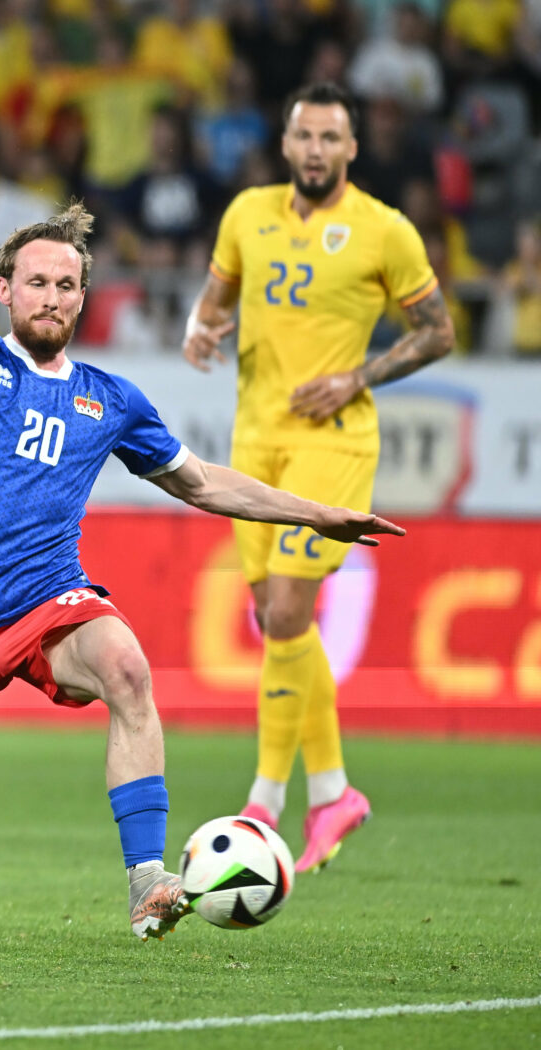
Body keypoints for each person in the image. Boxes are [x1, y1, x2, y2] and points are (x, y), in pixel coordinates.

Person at [0, 171, 404, 943]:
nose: (52, 298)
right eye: (37, 283)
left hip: (50, 598)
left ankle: (148, 879)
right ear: (5, 291)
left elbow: (201, 482)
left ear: (83, 298)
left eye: (67, 286)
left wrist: (317, 515)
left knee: (126, 668)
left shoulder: (110, 399)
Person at [181, 82, 453, 874]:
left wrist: (357, 377)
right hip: (255, 437)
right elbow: (214, 302)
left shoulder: (385, 230)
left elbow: (437, 331)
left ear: (352, 148)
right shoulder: (247, 214)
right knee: (274, 619)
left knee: (289, 611)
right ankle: (331, 791)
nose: (315, 150)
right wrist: (202, 328)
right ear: (286, 143)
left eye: (331, 138)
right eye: (304, 136)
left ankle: (265, 800)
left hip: (334, 440)